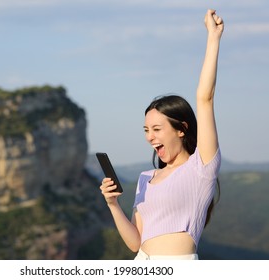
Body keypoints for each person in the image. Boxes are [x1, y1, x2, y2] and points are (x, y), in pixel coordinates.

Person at [99, 9, 224, 260]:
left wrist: (213, 37)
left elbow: (205, 98)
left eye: (157, 129)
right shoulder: (146, 178)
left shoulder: (201, 168)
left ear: (181, 129)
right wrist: (112, 204)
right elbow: (136, 242)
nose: (150, 137)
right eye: (146, 130)